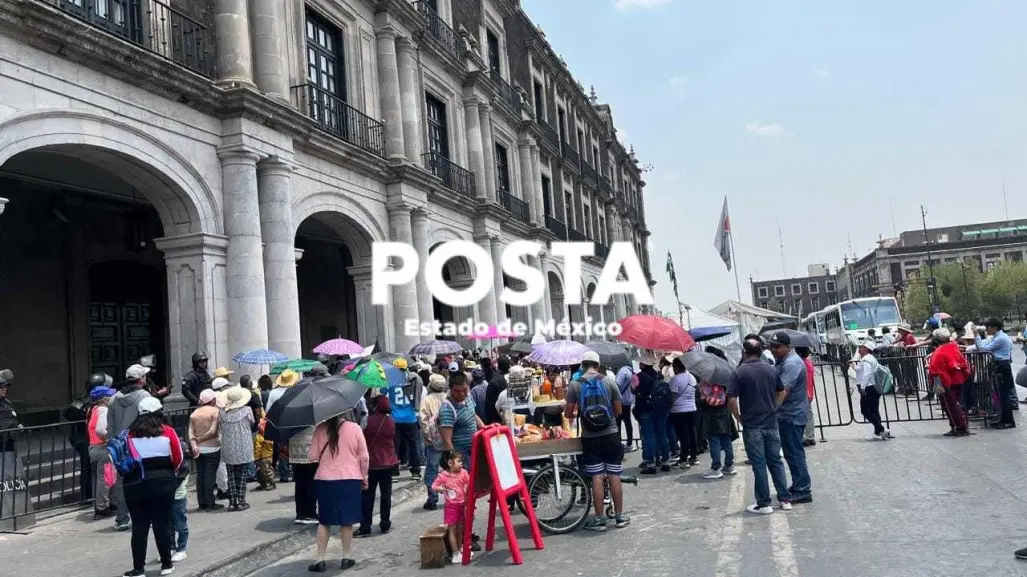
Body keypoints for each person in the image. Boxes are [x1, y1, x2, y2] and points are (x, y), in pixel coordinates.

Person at [564, 351, 629, 532]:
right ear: (598, 365)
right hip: (611, 433)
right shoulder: (609, 381)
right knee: (614, 473)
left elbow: (568, 414)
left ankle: (599, 519)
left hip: (589, 436)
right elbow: (618, 410)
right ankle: (620, 517)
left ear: (583, 366)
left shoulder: (575, 384)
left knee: (597, 476)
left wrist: (585, 414)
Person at [119, 397, 184, 577]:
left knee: (139, 526)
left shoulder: (129, 435)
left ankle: (138, 568)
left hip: (134, 484)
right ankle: (166, 564)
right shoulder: (168, 432)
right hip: (163, 483)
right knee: (161, 524)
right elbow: (178, 459)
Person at [728, 338, 792, 514]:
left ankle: (763, 503)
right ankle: (785, 499)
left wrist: (738, 417)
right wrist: (775, 407)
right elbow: (782, 391)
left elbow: (732, 400)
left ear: (744, 351)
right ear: (761, 352)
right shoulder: (771, 369)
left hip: (752, 425)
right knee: (776, 461)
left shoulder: (739, 372)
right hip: (771, 422)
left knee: (759, 464)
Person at [307, 411, 369, 572]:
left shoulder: (320, 429)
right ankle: (346, 556)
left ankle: (320, 559)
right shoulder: (354, 428)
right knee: (346, 521)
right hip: (350, 478)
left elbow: (311, 456)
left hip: (325, 479)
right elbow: (364, 456)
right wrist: (364, 476)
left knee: (324, 521)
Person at [767, 332, 813, 504]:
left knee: (794, 453)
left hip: (792, 415)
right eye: (771, 346)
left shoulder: (792, 363)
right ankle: (799, 484)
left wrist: (771, 410)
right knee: (791, 453)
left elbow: (783, 391)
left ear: (787, 347)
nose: (773, 350)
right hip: (787, 415)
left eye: (777, 347)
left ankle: (803, 489)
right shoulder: (783, 361)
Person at [107, 364, 153, 531]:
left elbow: (110, 425)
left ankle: (122, 518)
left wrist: (112, 444)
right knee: (143, 478)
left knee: (121, 482)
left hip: (119, 444)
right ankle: (143, 515)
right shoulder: (144, 396)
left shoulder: (113, 398)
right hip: (138, 442)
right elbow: (148, 421)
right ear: (141, 379)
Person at [358, 395, 398, 537]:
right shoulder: (391, 422)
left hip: (372, 463)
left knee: (368, 495)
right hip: (388, 463)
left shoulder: (366, 420)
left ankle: (365, 525)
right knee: (386, 494)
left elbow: (361, 439)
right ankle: (385, 522)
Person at [928, 328, 971, 437]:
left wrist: (934, 384)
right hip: (958, 379)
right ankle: (959, 426)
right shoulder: (953, 347)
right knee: (957, 404)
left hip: (945, 382)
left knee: (950, 406)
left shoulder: (939, 352)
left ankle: (959, 427)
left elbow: (935, 370)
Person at [219, 386, 256, 511]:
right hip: (243, 444)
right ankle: (241, 501)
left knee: (231, 475)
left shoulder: (222, 412)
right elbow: (252, 422)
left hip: (228, 445)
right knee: (242, 474)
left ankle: (231, 502)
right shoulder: (247, 410)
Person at [975, 317, 1015, 429]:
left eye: (988, 327)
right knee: (1000, 395)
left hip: (1002, 366)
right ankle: (1003, 419)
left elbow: (982, 348)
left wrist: (977, 335)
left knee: (1004, 395)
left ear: (994, 327)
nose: (987, 329)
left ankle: (1008, 421)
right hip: (1000, 366)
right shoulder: (999, 337)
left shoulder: (1000, 338)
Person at [432, 451, 471, 563]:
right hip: (451, 507)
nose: (461, 464)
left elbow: (469, 483)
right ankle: (455, 553)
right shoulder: (443, 476)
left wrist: (467, 489)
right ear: (450, 463)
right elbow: (434, 486)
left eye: (461, 461)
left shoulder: (463, 473)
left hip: (462, 505)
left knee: (460, 529)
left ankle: (460, 548)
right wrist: (441, 489)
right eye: (458, 461)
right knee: (452, 530)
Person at [438, 372, 484, 466]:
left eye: (464, 390)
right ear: (451, 389)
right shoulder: (447, 409)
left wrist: (484, 427)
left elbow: (473, 415)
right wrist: (455, 462)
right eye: (457, 391)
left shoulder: (469, 396)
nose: (462, 394)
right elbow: (446, 440)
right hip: (461, 456)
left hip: (474, 450)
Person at [188, 389, 223, 511]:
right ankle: (210, 502)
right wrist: (200, 439)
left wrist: (194, 445)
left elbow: (191, 432)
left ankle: (202, 502)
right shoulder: (215, 412)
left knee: (200, 475)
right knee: (209, 476)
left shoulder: (194, 413)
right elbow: (213, 431)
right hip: (212, 447)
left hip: (198, 450)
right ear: (212, 400)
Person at [633, 353, 668, 474]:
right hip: (660, 409)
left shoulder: (637, 377)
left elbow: (633, 390)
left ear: (643, 364)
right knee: (662, 435)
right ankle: (665, 461)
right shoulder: (659, 375)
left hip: (644, 409)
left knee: (649, 437)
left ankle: (650, 463)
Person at [697, 374, 736, 479]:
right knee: (726, 440)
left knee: (714, 441)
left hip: (711, 417)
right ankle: (729, 465)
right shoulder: (725, 384)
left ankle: (716, 468)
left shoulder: (706, 386)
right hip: (724, 415)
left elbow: (701, 403)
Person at [87, 385, 117, 519]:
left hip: (94, 447)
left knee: (106, 477)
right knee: (104, 479)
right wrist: (110, 438)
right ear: (105, 399)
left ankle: (107, 503)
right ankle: (101, 507)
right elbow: (100, 430)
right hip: (102, 447)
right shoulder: (104, 410)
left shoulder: (93, 409)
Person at [420, 373, 449, 510]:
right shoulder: (448, 398)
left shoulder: (427, 400)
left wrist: (428, 437)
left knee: (432, 470)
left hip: (434, 441)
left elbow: (424, 421)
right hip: (449, 439)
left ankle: (432, 498)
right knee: (451, 468)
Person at [389, 359, 421, 481]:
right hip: (410, 417)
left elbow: (382, 392)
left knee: (395, 446)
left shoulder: (391, 380)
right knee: (413, 445)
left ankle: (394, 471)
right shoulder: (412, 379)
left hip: (395, 418)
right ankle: (415, 471)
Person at [853, 341, 889, 441]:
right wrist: (853, 366)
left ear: (866, 349)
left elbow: (867, 374)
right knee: (874, 409)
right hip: (874, 387)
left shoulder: (867, 359)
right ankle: (878, 433)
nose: (859, 349)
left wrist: (863, 387)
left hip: (869, 387)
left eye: (861, 347)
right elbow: (860, 369)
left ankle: (881, 429)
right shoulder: (869, 358)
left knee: (865, 410)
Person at [668, 358, 699, 467]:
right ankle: (694, 456)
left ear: (676, 367)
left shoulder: (675, 380)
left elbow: (672, 396)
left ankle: (684, 458)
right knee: (692, 433)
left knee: (683, 435)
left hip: (678, 411)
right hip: (692, 408)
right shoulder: (692, 377)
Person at [170, 439, 191, 563]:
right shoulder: (171, 464)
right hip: (168, 498)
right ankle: (171, 548)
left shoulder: (183, 467)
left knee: (180, 525)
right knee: (168, 526)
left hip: (178, 498)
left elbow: (176, 482)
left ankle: (181, 549)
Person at [796, 347, 817, 447]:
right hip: (809, 392)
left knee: (802, 415)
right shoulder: (808, 363)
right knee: (809, 415)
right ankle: (810, 436)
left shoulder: (800, 364)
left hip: (803, 393)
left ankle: (805, 437)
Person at [483, 356, 511, 425]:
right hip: (511, 418)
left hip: (497, 421)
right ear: (509, 366)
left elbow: (489, 405)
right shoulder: (514, 379)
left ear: (498, 365)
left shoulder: (494, 381)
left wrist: (489, 422)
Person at [614, 363, 635, 452]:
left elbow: (617, 384)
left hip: (621, 400)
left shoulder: (623, 371)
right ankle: (629, 442)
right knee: (627, 422)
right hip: (628, 400)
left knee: (618, 422)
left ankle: (618, 443)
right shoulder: (632, 372)